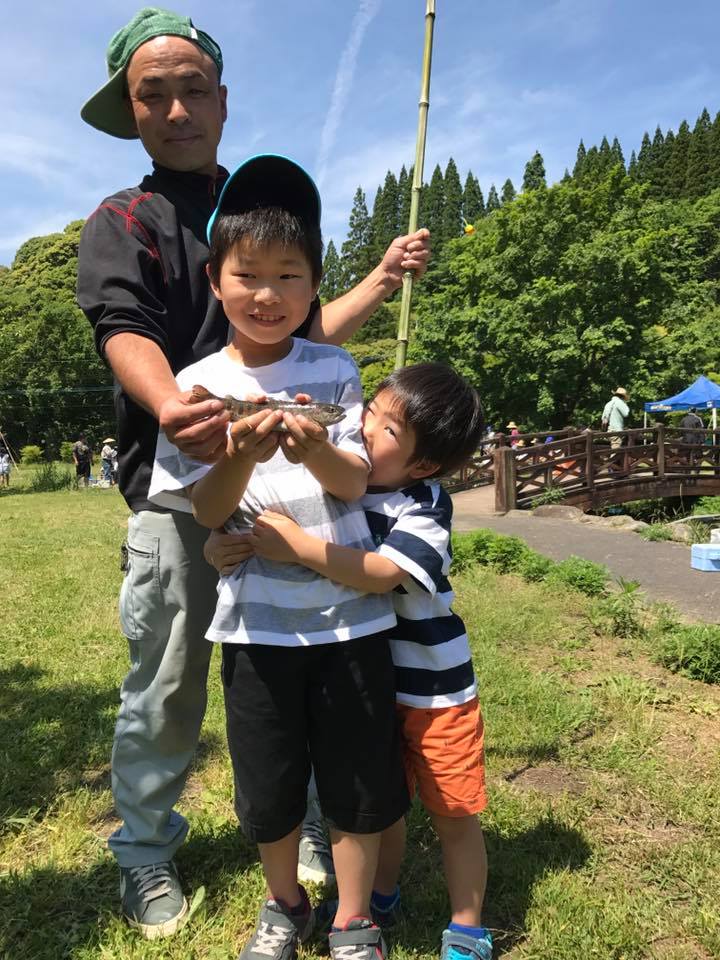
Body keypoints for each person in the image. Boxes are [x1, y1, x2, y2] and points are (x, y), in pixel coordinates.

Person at [76, 7, 430, 938]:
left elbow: (302, 343)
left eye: (194, 88)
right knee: (169, 677)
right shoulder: (125, 218)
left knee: (298, 659)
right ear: (132, 109)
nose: (178, 107)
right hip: (179, 483)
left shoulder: (254, 211)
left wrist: (382, 277)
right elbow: (123, 331)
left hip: (292, 490)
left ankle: (308, 824)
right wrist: (173, 410)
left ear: (223, 101)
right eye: (155, 94)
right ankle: (146, 852)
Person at [149, 153, 409, 960]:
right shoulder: (195, 381)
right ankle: (284, 902)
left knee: (359, 777)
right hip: (256, 626)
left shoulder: (334, 369)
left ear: (315, 285)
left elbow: (356, 478)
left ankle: (352, 914)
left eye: (289, 276)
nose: (268, 295)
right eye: (249, 275)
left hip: (349, 620)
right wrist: (240, 453)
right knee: (266, 780)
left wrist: (307, 446)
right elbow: (207, 507)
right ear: (216, 279)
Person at [243, 362, 491, 960]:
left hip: (434, 692)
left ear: (424, 464)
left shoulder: (423, 502)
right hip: (367, 684)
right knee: (382, 804)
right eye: (370, 410)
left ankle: (467, 925)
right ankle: (380, 896)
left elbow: (382, 575)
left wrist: (299, 547)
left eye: (385, 429)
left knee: (454, 810)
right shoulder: (339, 487)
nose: (363, 424)